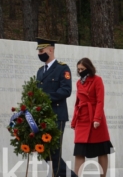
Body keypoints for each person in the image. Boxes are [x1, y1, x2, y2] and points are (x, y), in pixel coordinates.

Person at [35, 37, 78, 177]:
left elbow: (66, 90)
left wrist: (46, 97)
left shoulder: (62, 68)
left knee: (54, 150)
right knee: (42, 148)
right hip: (42, 116)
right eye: (38, 51)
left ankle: (60, 174)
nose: (40, 54)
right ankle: (69, 175)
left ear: (51, 50)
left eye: (42, 51)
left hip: (56, 114)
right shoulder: (40, 71)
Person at [71, 58, 113, 177]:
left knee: (102, 150)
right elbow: (77, 103)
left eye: (82, 69)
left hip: (95, 118)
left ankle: (103, 176)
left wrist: (97, 119)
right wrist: (74, 121)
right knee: (79, 151)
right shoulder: (78, 83)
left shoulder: (97, 80)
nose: (80, 71)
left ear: (89, 68)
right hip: (82, 119)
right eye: (78, 69)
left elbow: (100, 101)